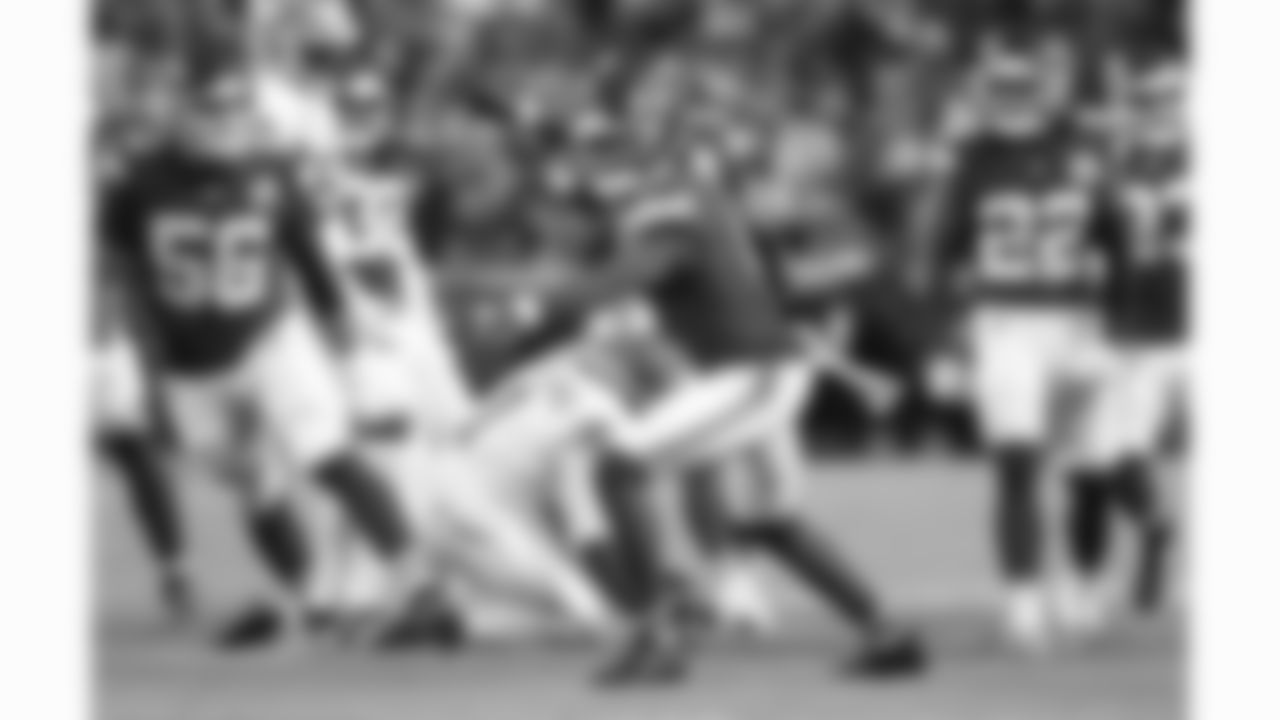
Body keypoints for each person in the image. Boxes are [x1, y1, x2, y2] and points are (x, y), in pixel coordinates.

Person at [97, 82, 434, 650]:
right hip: (189, 365)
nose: (221, 120)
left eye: (231, 107)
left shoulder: (271, 175)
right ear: (178, 110)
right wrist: (140, 361)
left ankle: (419, 585)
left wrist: (340, 332)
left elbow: (308, 258)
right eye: (208, 105)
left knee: (325, 451)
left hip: (271, 336)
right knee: (254, 486)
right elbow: (124, 273)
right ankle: (315, 598)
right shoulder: (138, 184)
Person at [921, 32, 1123, 651]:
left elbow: (1116, 242)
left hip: (1079, 324)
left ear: (1043, 93)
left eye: (1022, 88)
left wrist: (1114, 315)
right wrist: (946, 339)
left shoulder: (1082, 152)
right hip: (1005, 324)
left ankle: (1084, 584)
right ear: (987, 94)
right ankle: (1025, 600)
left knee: (1091, 468)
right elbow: (941, 255)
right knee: (1017, 463)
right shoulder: (971, 160)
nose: (1012, 100)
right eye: (1002, 89)